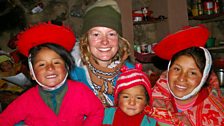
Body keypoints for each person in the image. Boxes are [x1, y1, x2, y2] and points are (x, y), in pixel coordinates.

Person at [0, 23, 104, 125]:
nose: (50, 68)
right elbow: (4, 120)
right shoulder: (26, 100)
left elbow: (97, 111)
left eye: (56, 62)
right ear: (32, 73)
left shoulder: (80, 91)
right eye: (41, 64)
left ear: (66, 67)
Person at [150, 25, 224, 125]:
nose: (181, 78)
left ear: (204, 77)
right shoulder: (149, 103)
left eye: (192, 73)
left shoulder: (216, 114)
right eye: (177, 69)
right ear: (168, 71)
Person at [70, 0, 133, 107]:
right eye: (96, 34)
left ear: (119, 40)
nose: (105, 41)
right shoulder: (73, 77)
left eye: (111, 34)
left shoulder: (131, 74)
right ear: (86, 40)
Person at [103, 64, 183, 126]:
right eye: (126, 97)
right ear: (118, 98)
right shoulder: (106, 115)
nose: (132, 102)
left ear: (146, 101)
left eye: (138, 98)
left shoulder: (149, 122)